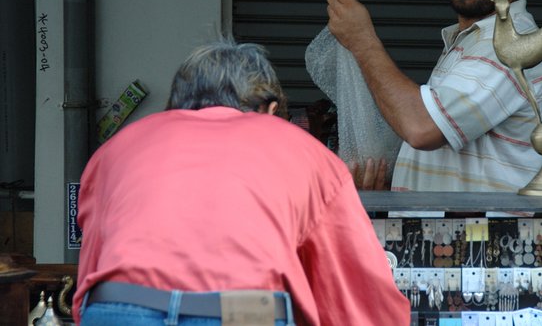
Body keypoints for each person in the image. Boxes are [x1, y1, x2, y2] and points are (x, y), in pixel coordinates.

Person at [72, 38, 410, 325]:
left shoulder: (120, 147)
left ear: (174, 106)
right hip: (243, 310)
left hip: (119, 306)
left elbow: (94, 259)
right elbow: (351, 280)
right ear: (270, 109)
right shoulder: (300, 148)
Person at [327, 0, 542, 192]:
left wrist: (363, 42)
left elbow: (422, 129)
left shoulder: (513, 47)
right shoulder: (471, 42)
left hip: (480, 239)